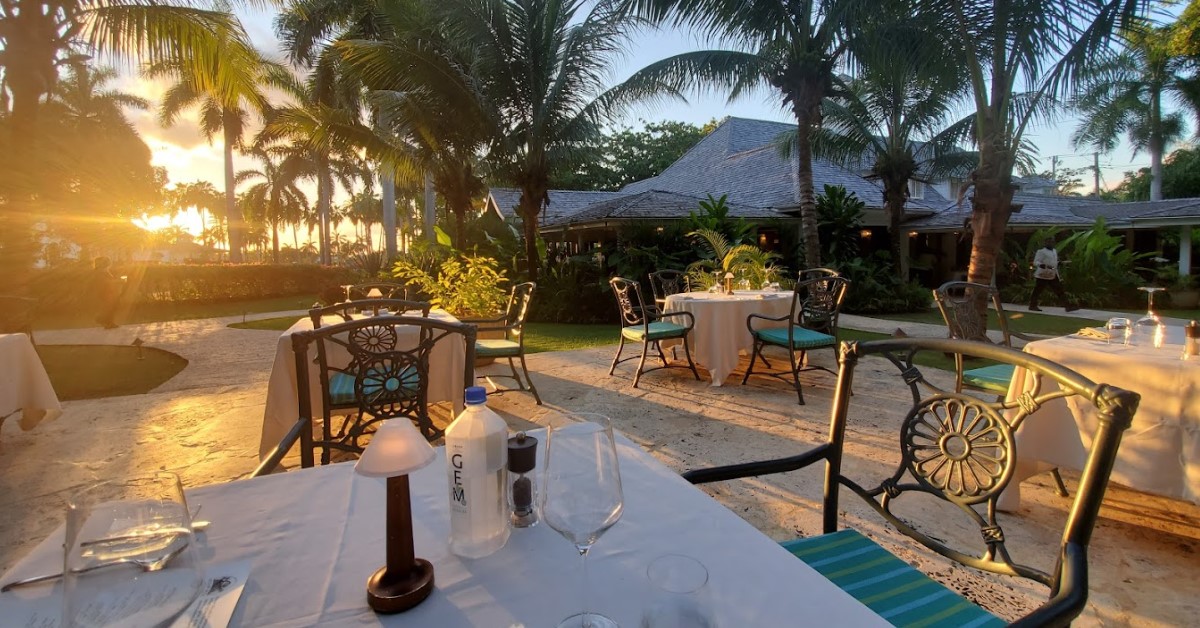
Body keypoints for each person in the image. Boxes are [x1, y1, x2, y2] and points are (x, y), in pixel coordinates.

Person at [1029, 238, 1078, 312]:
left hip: (1052, 274)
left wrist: (1060, 263)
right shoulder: (1041, 251)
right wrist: (1041, 265)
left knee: (1059, 290)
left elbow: (1054, 261)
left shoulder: (1054, 251)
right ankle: (1032, 305)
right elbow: (1036, 262)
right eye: (1048, 242)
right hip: (1043, 274)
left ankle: (1067, 306)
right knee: (1038, 290)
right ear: (1045, 243)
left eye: (1052, 242)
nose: (1050, 243)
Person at [92, 257, 121, 329]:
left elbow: (109, 280)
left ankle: (109, 322)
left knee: (112, 307)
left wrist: (116, 280)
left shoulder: (105, 271)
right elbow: (105, 281)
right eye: (108, 262)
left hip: (109, 291)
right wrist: (117, 281)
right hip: (105, 292)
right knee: (109, 307)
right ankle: (102, 320)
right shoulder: (99, 272)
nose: (109, 263)